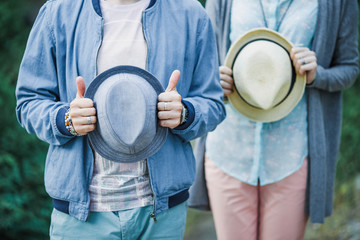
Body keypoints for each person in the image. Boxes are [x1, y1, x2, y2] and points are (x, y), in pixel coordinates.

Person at [15, 0, 226, 239]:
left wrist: (185, 114)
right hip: (82, 218)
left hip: (161, 216)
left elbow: (213, 103)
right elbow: (29, 102)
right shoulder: (58, 13)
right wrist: (65, 120)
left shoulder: (191, 15)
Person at [189, 0, 359, 239]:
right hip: (228, 152)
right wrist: (213, 80)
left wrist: (317, 75)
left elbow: (349, 67)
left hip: (292, 155)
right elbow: (199, 64)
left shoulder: (337, 3)